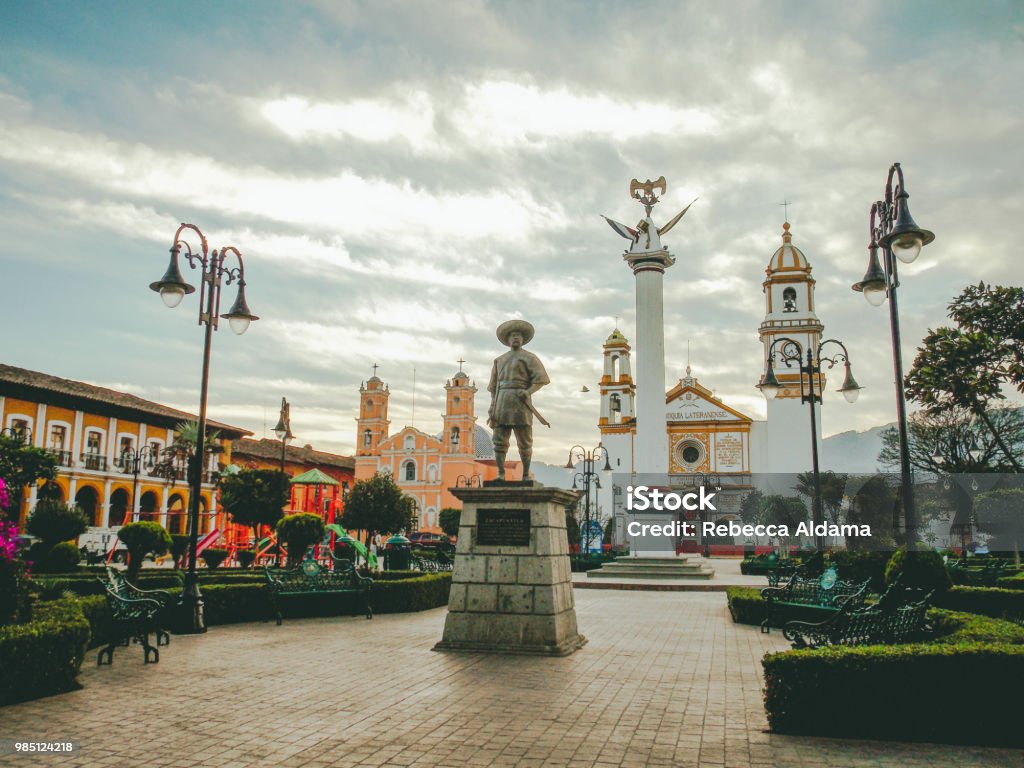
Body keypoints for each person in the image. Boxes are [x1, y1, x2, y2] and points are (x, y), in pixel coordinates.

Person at [487, 319, 550, 481]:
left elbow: (540, 380)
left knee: (525, 441)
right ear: (507, 340)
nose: (515, 338)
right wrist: (492, 407)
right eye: (512, 336)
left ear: (523, 339)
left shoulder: (530, 358)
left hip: (521, 403)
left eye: (518, 336)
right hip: (502, 403)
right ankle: (501, 473)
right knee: (499, 441)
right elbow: (493, 387)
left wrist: (528, 391)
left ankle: (525, 474)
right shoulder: (499, 360)